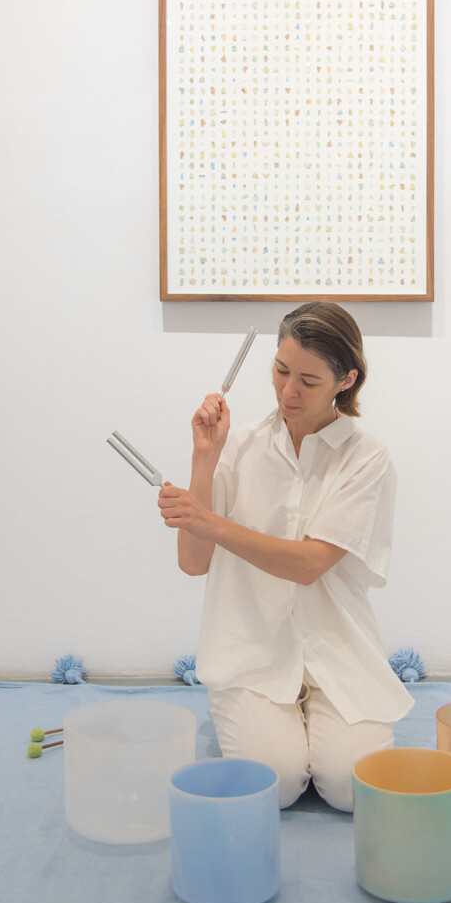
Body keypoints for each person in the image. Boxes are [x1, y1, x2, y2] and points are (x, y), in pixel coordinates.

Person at [157, 301, 413, 810]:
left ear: (346, 380)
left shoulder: (367, 459)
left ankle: (311, 712)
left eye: (308, 381)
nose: (288, 391)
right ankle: (269, 716)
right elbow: (193, 562)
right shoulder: (240, 444)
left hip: (336, 652)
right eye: (280, 370)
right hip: (251, 652)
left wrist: (210, 520)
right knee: (274, 786)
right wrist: (204, 460)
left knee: (351, 789)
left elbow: (309, 564)